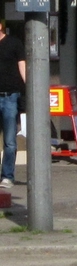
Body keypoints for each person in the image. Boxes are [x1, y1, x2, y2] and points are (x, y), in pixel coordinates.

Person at [0, 21, 24, 188]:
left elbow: (22, 67)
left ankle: (7, 175)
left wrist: (28, 90)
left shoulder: (14, 43)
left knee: (9, 140)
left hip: (10, 96)